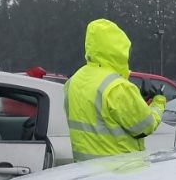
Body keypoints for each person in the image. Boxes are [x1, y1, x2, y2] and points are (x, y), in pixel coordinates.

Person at [64, 19, 166, 161]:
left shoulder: (74, 81)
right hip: (119, 171)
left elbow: (100, 119)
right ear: (119, 50)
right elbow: (145, 127)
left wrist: (138, 102)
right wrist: (158, 101)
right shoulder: (118, 87)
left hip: (84, 170)